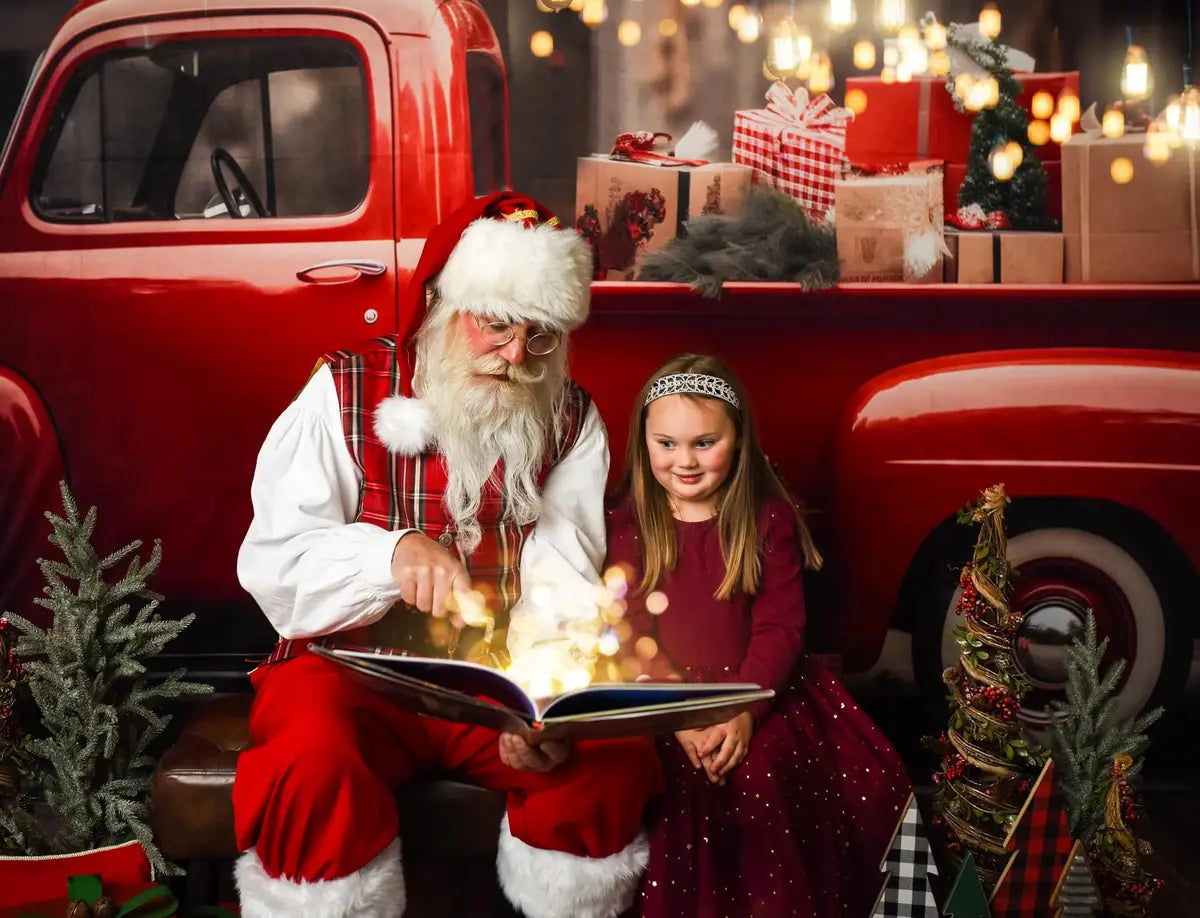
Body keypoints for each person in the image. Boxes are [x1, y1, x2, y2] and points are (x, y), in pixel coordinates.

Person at [232, 192, 662, 918]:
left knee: (609, 763)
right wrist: (390, 557)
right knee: (310, 759)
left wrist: (545, 704)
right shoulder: (341, 390)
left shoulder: (570, 419)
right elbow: (275, 561)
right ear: (441, 300)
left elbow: (565, 572)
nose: (517, 356)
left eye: (541, 335)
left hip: (490, 687)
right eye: (496, 324)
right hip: (348, 673)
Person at [605, 353, 912, 918]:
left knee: (765, 776)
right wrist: (678, 719)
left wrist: (742, 710)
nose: (685, 461)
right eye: (666, 443)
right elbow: (629, 636)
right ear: (642, 442)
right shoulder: (629, 525)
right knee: (668, 788)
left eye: (705, 442)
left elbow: (780, 627)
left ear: (739, 440)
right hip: (663, 699)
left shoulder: (767, 520)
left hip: (756, 689)